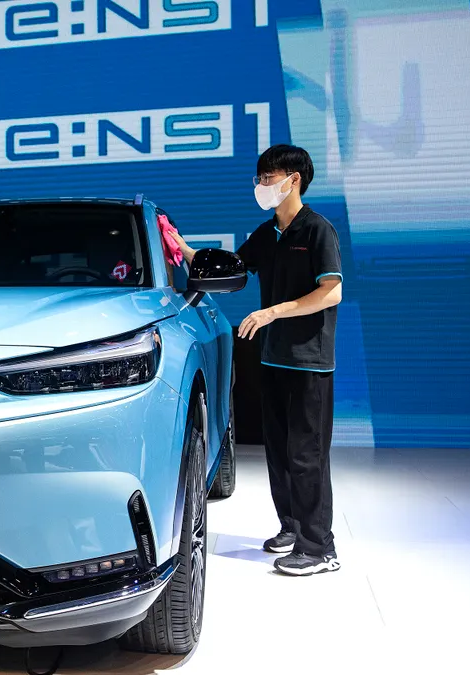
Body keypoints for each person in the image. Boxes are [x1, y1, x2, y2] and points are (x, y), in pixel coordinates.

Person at [168, 144, 343, 576]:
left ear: (293, 180)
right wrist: (181, 247)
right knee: (281, 454)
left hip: (309, 363)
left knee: (307, 455)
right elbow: (230, 266)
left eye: (269, 178)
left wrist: (272, 311)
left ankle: (319, 547)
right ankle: (293, 527)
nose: (262, 186)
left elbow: (331, 291)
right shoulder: (270, 233)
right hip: (275, 359)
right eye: (260, 178)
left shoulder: (318, 231)